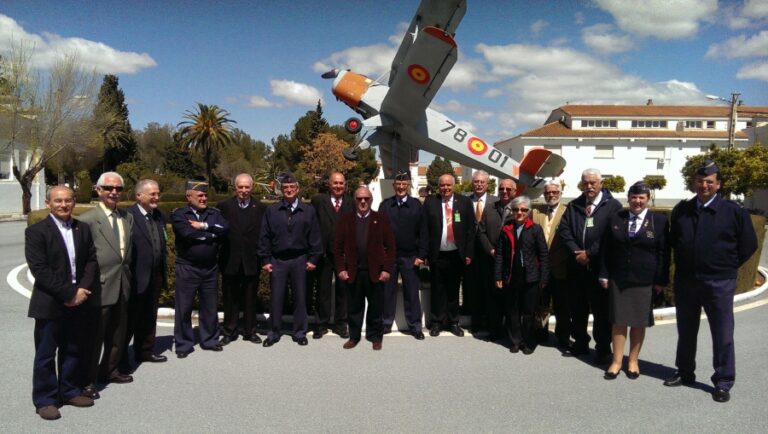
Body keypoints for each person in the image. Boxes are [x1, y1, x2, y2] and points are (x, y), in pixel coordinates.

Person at [665, 160, 757, 403]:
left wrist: (726, 265)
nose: (703, 185)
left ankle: (723, 381)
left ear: (718, 185)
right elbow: (674, 242)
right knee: (686, 331)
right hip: (687, 281)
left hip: (719, 282)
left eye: (709, 181)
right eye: (699, 181)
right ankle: (685, 371)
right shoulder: (682, 210)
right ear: (694, 183)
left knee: (722, 333)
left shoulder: (733, 211)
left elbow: (749, 244)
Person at [26, 186, 99, 420]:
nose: (63, 205)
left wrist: (82, 290)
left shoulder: (82, 228)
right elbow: (40, 269)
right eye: (58, 201)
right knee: (46, 354)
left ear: (74, 202)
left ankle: (69, 391)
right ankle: (45, 399)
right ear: (48, 203)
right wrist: (69, 293)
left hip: (79, 301)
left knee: (73, 349)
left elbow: (91, 261)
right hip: (50, 302)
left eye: (68, 200)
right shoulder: (36, 231)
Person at [598, 181, 669, 380]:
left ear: (648, 199)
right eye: (634, 197)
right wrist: (603, 273)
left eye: (641, 197)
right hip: (619, 278)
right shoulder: (615, 218)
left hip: (644, 280)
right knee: (618, 321)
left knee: (638, 322)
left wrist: (661, 279)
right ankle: (616, 361)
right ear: (628, 198)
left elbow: (664, 253)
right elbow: (606, 249)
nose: (637, 201)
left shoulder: (659, 221)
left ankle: (633, 361)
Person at [559, 168, 622, 364]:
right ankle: (580, 342)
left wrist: (590, 253)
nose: (589, 186)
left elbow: (611, 234)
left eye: (593, 183)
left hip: (599, 267)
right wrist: (576, 252)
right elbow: (564, 230)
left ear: (601, 184)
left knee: (601, 311)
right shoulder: (574, 205)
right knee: (577, 308)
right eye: (585, 183)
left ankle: (603, 348)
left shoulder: (613, 206)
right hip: (577, 266)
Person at [78, 172, 134, 392]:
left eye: (118, 189)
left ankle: (109, 370)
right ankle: (87, 381)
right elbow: (82, 258)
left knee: (118, 334)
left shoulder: (127, 217)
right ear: (99, 190)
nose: (114, 192)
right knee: (94, 338)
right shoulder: (87, 220)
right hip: (99, 286)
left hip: (123, 284)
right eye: (109, 188)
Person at [258, 173, 323, 347]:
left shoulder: (308, 211)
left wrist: (314, 258)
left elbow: (315, 236)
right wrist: (265, 259)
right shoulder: (272, 210)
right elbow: (264, 236)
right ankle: (273, 333)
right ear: (281, 190)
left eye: (292, 187)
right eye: (285, 188)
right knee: (276, 298)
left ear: (297, 189)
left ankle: (299, 332)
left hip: (299, 259)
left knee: (300, 298)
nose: (288, 190)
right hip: (278, 259)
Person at [171, 180, 229, 358]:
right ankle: (183, 344)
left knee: (210, 307)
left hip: (210, 268)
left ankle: (210, 340)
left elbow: (225, 229)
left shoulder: (214, 213)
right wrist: (212, 236)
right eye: (200, 195)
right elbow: (187, 234)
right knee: (184, 307)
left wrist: (205, 227)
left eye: (205, 195)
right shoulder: (180, 214)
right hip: (188, 268)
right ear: (189, 197)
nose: (204, 198)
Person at [334, 186, 396, 350]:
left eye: (366, 199)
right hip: (353, 272)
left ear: (371, 200)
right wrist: (341, 269)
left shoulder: (381, 219)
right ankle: (354, 337)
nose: (363, 201)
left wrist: (386, 269)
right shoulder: (346, 219)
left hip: (375, 272)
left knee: (376, 308)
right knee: (354, 308)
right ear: (354, 201)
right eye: (359, 198)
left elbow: (391, 247)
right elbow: (338, 248)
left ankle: (375, 337)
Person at [494, 195, 549, 354]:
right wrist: (498, 276)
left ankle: (528, 341)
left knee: (528, 312)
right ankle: (515, 341)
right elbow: (499, 254)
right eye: (516, 209)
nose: (520, 212)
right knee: (513, 311)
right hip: (511, 275)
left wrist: (544, 277)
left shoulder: (535, 229)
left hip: (531, 276)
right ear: (512, 211)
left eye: (524, 210)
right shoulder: (506, 229)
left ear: (529, 211)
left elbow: (543, 255)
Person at [217, 173, 267, 345]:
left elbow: (264, 235)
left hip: (251, 259)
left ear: (252, 187)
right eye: (240, 187)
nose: (244, 190)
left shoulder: (261, 208)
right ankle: (229, 331)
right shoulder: (223, 206)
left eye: (247, 187)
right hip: (230, 259)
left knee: (250, 298)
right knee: (230, 298)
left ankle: (250, 331)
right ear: (235, 187)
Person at [122, 179, 168, 366]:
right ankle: (121, 359)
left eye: (158, 193)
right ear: (139, 196)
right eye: (152, 194)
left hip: (155, 275)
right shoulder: (128, 216)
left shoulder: (158, 215)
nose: (157, 197)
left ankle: (145, 351)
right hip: (136, 276)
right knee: (130, 320)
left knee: (149, 316)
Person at [378, 171, 429, 339]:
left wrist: (421, 255)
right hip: (389, 257)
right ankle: (385, 324)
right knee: (387, 292)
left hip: (410, 256)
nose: (401, 187)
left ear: (408, 186)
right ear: (394, 186)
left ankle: (415, 326)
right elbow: (378, 232)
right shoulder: (385, 205)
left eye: (404, 184)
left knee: (412, 293)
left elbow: (423, 231)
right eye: (398, 184)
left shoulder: (416, 205)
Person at [423, 173, 475, 337]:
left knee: (453, 290)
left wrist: (468, 253)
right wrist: (425, 253)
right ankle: (436, 322)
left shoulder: (464, 202)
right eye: (442, 185)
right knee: (437, 290)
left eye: (448, 185)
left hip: (456, 254)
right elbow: (424, 229)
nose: (445, 188)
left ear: (454, 186)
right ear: (438, 186)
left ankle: (453, 322)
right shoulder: (430, 202)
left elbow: (471, 230)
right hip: (437, 255)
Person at [310, 172, 354, 339]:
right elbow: (312, 226)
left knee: (343, 291)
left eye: (341, 183)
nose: (338, 186)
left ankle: (341, 324)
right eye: (335, 183)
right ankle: (321, 324)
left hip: (344, 255)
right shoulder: (318, 201)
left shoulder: (351, 202)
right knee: (323, 291)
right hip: (323, 254)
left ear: (345, 185)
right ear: (329, 184)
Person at [531, 181, 571, 349]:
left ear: (560, 193)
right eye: (548, 193)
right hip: (541, 268)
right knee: (541, 303)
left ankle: (563, 337)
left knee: (562, 305)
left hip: (560, 266)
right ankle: (541, 334)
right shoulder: (536, 212)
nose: (551, 195)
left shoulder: (568, 212)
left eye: (554, 192)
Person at [478, 178, 516, 340]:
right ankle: (494, 330)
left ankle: (511, 331)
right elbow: (481, 232)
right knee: (492, 297)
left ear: (515, 191)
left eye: (508, 189)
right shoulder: (490, 208)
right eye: (501, 189)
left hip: (512, 262)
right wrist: (491, 250)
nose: (504, 192)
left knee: (511, 297)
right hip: (491, 259)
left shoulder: (520, 208)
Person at [465, 170, 498, 334]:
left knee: (490, 288)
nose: (478, 184)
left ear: (487, 184)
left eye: (482, 182)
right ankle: (476, 320)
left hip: (490, 251)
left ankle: (491, 321)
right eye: (476, 182)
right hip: (471, 252)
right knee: (473, 287)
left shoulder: (496, 202)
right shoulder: (465, 200)